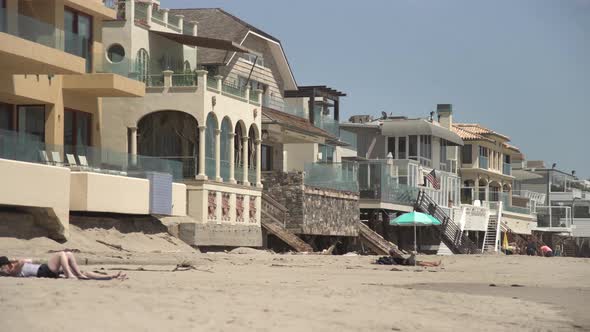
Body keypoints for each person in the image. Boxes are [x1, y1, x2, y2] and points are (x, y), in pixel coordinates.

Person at [0, 251, 126, 280]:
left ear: (7, 265)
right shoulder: (13, 271)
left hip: (46, 270)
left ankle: (110, 276)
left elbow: (29, 259)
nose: (2, 270)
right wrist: (13, 261)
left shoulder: (13, 268)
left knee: (69, 255)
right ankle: (70, 274)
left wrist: (11, 261)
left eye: (2, 267)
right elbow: (23, 261)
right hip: (43, 270)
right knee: (61, 254)